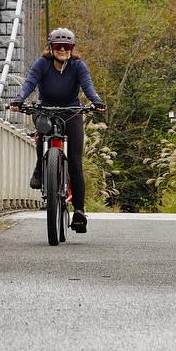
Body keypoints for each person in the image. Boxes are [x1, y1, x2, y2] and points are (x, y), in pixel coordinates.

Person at [8, 27, 105, 233]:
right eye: (58, 46)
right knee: (41, 131)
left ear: (72, 48)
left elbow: (88, 86)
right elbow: (29, 84)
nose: (62, 49)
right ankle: (40, 167)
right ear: (51, 48)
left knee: (76, 163)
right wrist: (19, 99)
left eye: (67, 46)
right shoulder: (42, 64)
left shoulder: (78, 66)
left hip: (71, 111)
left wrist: (96, 101)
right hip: (46, 109)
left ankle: (79, 211)